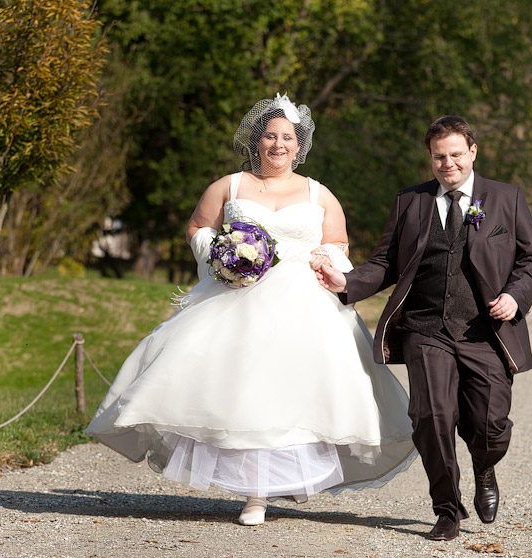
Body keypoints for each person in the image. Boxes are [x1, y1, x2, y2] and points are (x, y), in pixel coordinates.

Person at [86, 93, 417, 526]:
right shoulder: (230, 185)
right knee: (245, 392)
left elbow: (337, 244)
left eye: (286, 138)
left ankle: (290, 476)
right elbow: (198, 228)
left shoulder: (318, 192)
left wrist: (326, 260)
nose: (277, 145)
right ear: (255, 141)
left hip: (304, 302)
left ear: (299, 145)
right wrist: (222, 256)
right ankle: (255, 494)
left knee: (297, 390)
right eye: (269, 136)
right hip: (237, 296)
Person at [317, 115, 532, 541]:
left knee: (489, 425)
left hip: (485, 332)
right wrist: (347, 282)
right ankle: (447, 509)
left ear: (473, 152)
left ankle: (484, 465)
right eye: (439, 156)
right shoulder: (411, 201)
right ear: (430, 158)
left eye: (456, 154)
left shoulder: (506, 199)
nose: (448, 164)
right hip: (425, 329)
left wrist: (515, 296)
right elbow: (386, 262)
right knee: (430, 416)